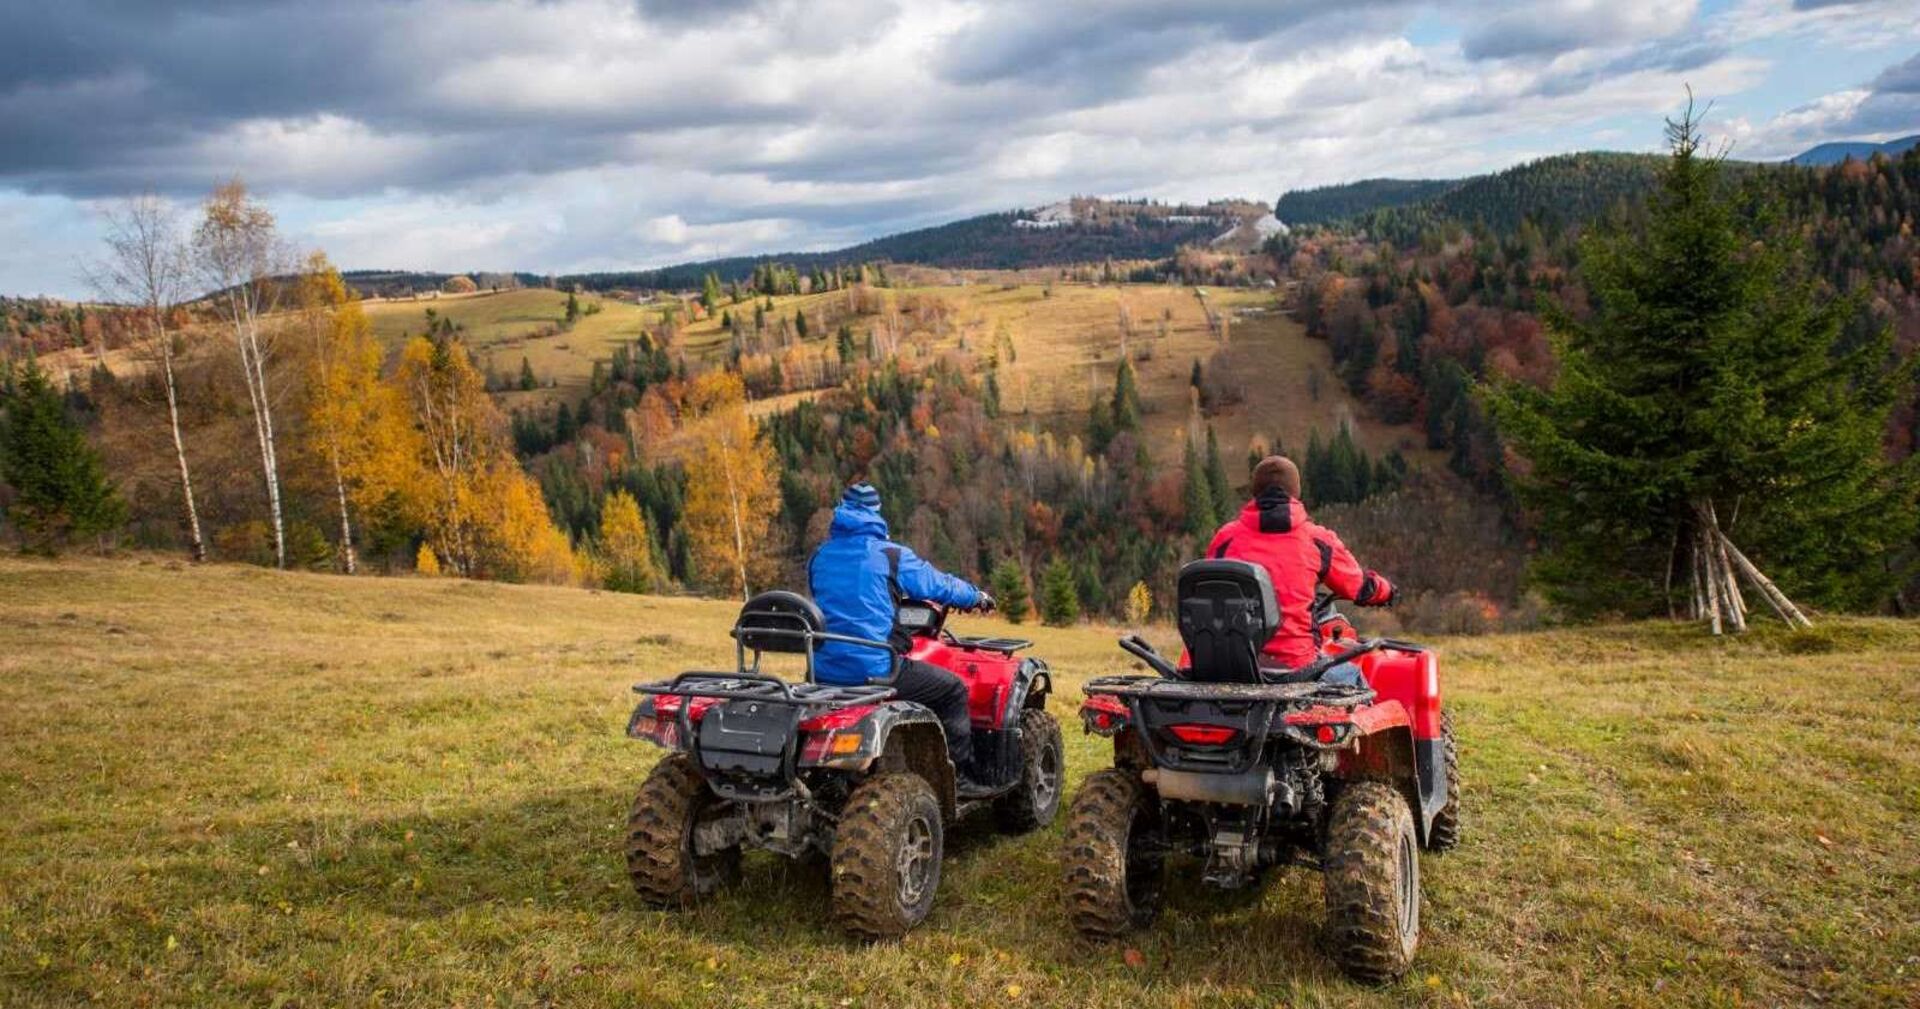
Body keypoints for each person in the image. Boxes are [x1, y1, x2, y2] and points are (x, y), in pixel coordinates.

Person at [809, 483, 995, 777]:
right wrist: (976, 597)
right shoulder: (890, 555)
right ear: (876, 513)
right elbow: (939, 585)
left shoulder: (820, 556)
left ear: (840, 510)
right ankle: (959, 776)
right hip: (875, 669)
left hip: (822, 672)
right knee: (953, 690)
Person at [1203, 456, 1394, 685]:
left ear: (1254, 492)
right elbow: (1360, 586)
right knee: (1353, 677)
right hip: (1295, 668)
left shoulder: (1226, 538)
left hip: (1234, 666)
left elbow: (1208, 590)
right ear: (1296, 492)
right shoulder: (1316, 540)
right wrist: (1387, 591)